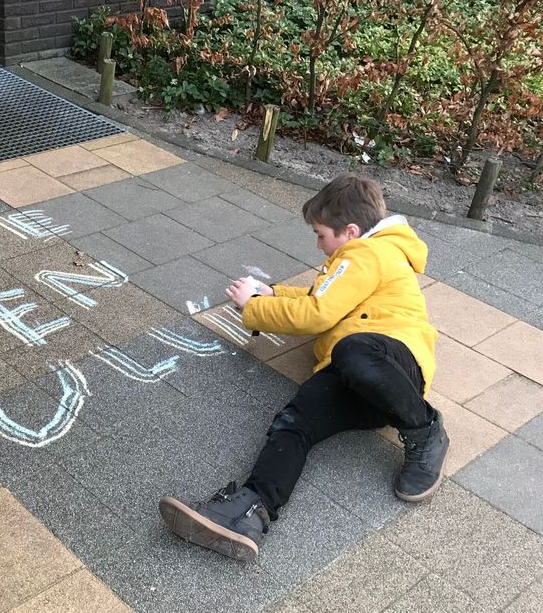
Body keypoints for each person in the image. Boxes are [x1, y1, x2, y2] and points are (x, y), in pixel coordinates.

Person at [159, 173, 448, 562]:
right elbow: (321, 296)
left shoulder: (368, 254)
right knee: (295, 422)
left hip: (393, 364)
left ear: (349, 231)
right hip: (361, 381)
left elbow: (317, 313)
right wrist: (273, 294)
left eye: (320, 234)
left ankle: (425, 430)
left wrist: (254, 308)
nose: (318, 244)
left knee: (352, 350)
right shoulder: (362, 254)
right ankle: (251, 511)